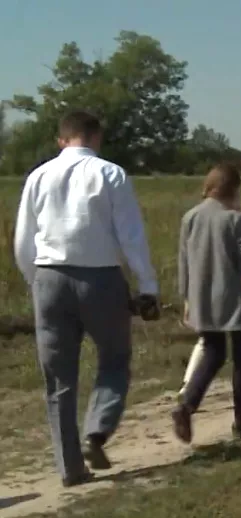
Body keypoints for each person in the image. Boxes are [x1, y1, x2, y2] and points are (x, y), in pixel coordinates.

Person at [13, 110, 160, 486]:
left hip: (49, 277)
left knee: (58, 379)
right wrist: (147, 286)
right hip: (101, 278)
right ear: (96, 136)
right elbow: (131, 236)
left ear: (62, 139)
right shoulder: (111, 174)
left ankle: (70, 467)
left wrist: (36, 280)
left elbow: (23, 239)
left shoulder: (39, 176)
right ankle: (97, 429)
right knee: (114, 357)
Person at [171, 164, 241, 444]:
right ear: (233, 189)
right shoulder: (235, 219)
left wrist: (187, 299)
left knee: (213, 352)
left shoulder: (190, 217)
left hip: (200, 297)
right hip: (233, 299)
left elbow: (183, 262)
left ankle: (187, 404)